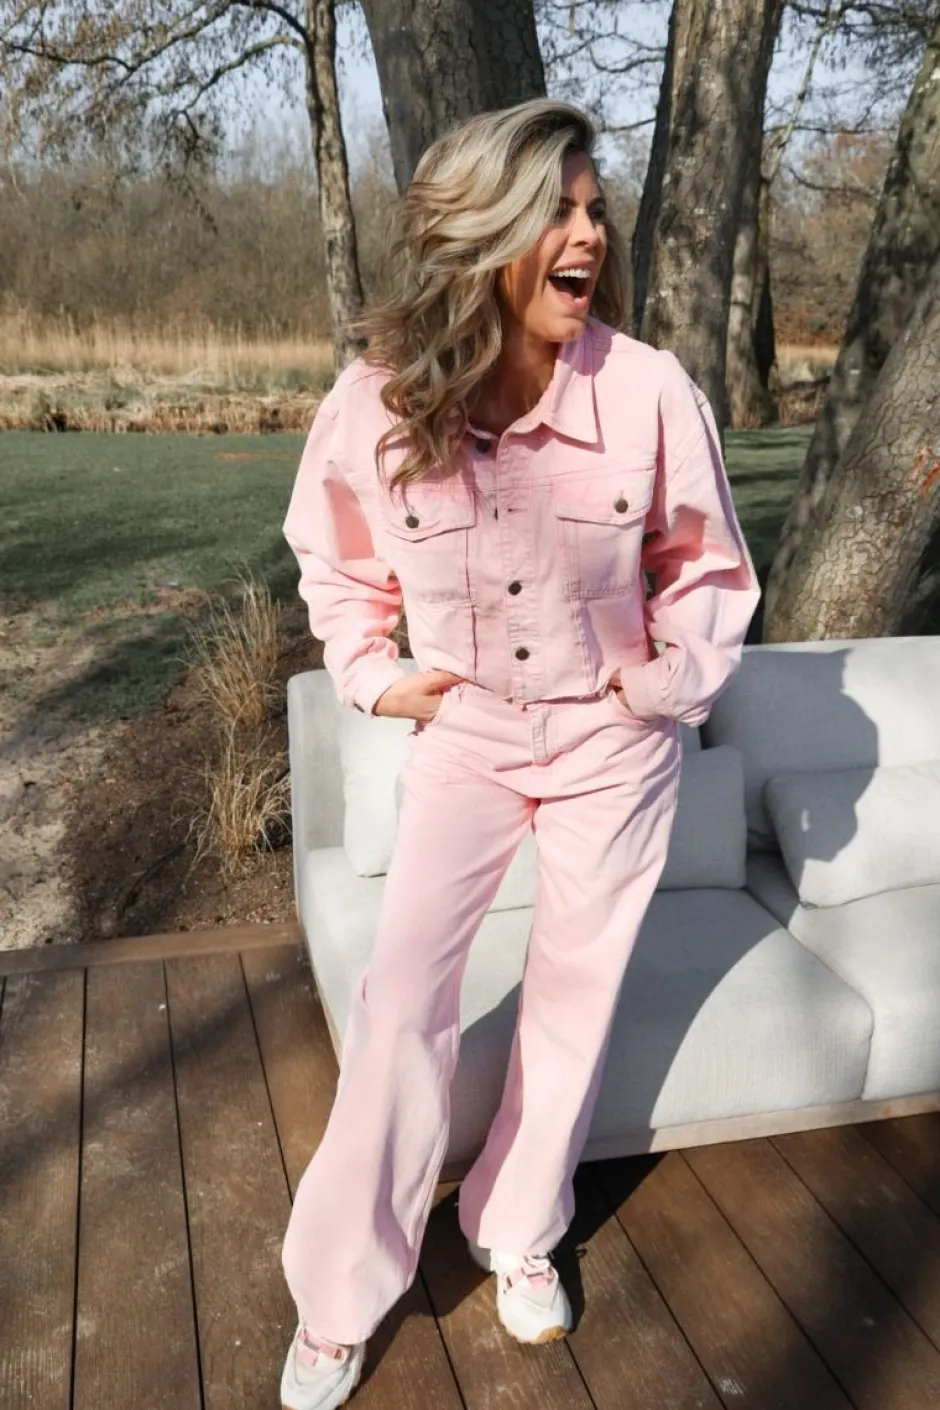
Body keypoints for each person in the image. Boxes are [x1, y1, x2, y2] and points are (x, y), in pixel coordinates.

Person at [278, 97, 760, 1410]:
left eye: (595, 209)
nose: (588, 234)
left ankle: (518, 1226)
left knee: (573, 995)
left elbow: (708, 569)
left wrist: (657, 685)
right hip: (471, 732)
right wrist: (373, 675)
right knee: (400, 1000)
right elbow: (333, 559)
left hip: (613, 742)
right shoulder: (378, 402)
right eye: (556, 211)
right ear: (482, 233)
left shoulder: (648, 390)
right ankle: (339, 1294)